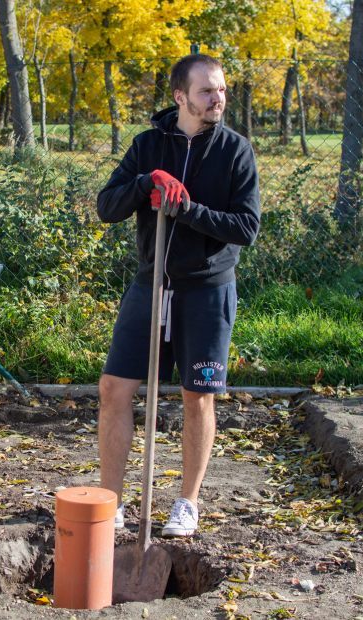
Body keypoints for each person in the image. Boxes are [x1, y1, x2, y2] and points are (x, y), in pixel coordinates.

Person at [95, 53, 261, 537]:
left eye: (222, 90)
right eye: (208, 91)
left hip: (206, 291)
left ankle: (186, 503)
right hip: (151, 285)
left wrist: (187, 208)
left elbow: (246, 228)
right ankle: (112, 502)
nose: (218, 99)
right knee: (113, 390)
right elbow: (107, 206)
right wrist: (145, 184)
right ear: (180, 97)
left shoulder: (236, 151)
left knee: (197, 399)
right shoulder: (147, 146)